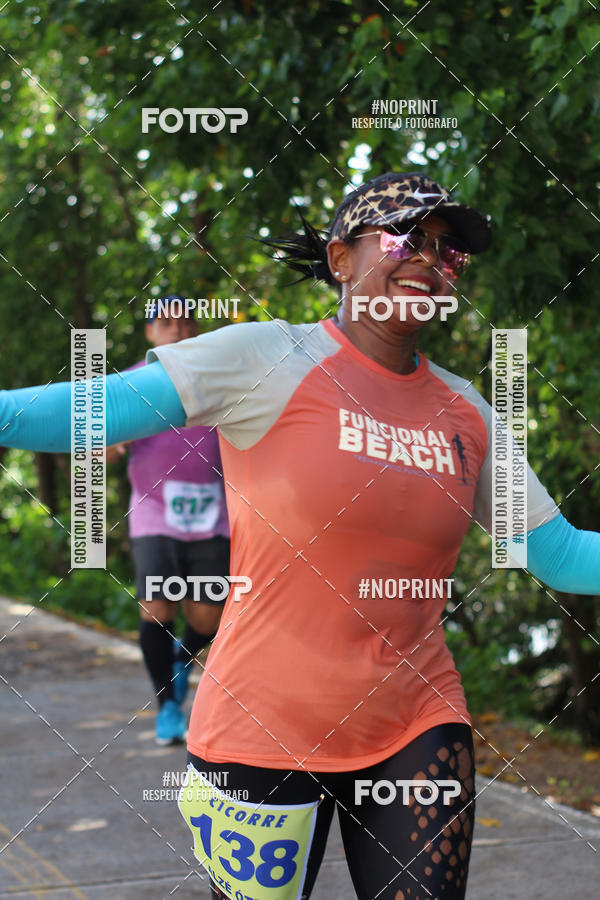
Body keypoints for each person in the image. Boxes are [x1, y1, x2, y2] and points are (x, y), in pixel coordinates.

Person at [1, 172, 599, 900]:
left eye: (449, 253)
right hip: (261, 727)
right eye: (407, 237)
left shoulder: (467, 414)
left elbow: (562, 556)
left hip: (416, 718)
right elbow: (92, 410)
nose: (431, 260)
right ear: (342, 259)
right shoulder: (264, 358)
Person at [106, 296, 231, 745]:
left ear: (194, 330)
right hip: (154, 513)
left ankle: (179, 658)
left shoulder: (215, 385)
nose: (177, 329)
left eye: (185, 322)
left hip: (212, 517)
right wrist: (116, 442)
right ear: (150, 332)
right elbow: (96, 448)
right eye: (166, 322)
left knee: (208, 617)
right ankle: (167, 709)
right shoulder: (126, 385)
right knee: (157, 607)